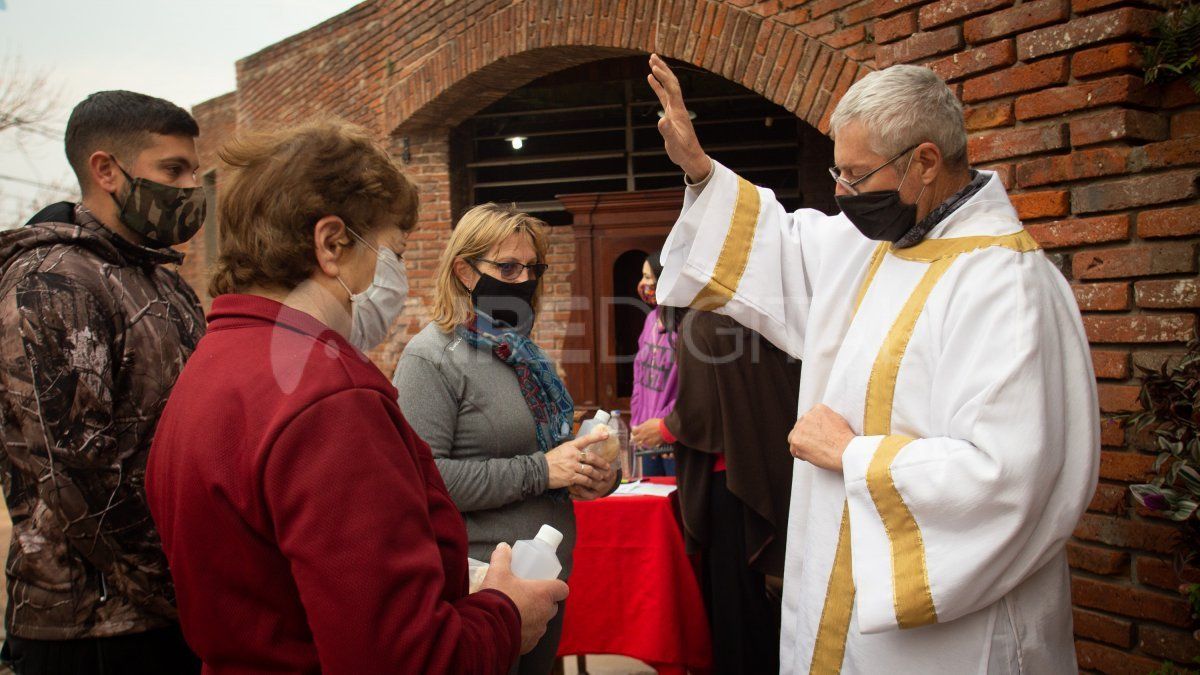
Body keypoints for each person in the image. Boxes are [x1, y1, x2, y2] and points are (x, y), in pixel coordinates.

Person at [648, 54, 1099, 674]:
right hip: (839, 585)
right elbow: (782, 250)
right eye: (838, 171)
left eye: (857, 176)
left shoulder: (1006, 286)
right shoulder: (876, 245)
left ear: (924, 162)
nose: (841, 193)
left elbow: (1010, 476)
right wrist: (699, 170)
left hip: (950, 637)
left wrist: (852, 456)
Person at [145, 121, 566, 674]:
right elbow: (404, 658)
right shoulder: (329, 398)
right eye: (389, 251)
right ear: (331, 243)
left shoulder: (213, 361)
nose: (394, 277)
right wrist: (505, 616)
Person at [0, 90, 206, 675]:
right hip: (90, 626)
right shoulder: (52, 282)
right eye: (174, 169)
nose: (191, 186)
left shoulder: (164, 283)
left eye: (192, 168)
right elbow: (77, 475)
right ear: (106, 169)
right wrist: (179, 585)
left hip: (172, 615)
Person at [393, 203, 618, 675]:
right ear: (463, 270)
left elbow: (551, 454)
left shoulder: (524, 354)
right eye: (508, 267)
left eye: (533, 268)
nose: (524, 281)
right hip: (479, 587)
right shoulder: (431, 358)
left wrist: (592, 474)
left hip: (544, 576)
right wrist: (541, 470)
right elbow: (423, 480)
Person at [666, 309, 799, 674]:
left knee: (733, 615)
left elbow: (700, 415)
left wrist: (665, 429)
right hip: (780, 473)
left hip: (730, 485)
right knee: (769, 614)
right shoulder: (774, 316)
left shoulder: (702, 321)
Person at [629, 252, 680, 476]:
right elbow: (639, 378)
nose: (643, 284)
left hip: (670, 437)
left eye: (649, 278)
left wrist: (665, 426)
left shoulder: (684, 326)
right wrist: (637, 424)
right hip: (647, 437)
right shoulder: (650, 320)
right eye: (643, 277)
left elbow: (688, 387)